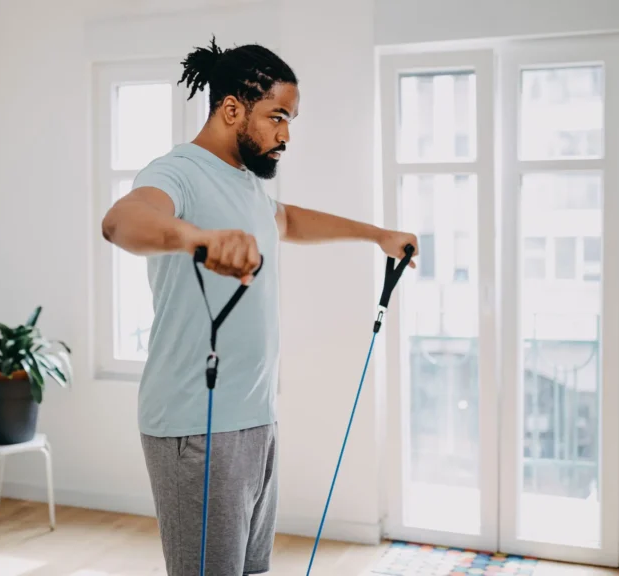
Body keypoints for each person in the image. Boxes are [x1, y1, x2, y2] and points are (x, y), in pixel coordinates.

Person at [101, 37, 418, 576]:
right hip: (195, 427)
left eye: (290, 120)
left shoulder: (244, 183)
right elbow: (122, 221)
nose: (286, 135)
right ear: (232, 109)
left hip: (255, 419)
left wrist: (377, 235)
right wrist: (196, 239)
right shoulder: (176, 171)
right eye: (277, 117)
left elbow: (286, 220)